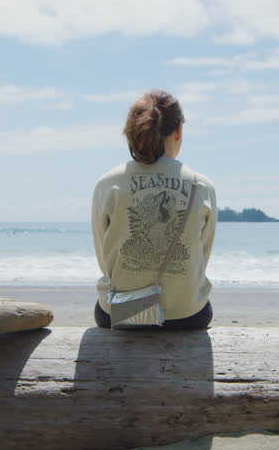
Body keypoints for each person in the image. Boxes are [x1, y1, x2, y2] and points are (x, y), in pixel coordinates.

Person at [92, 90, 217, 329]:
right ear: (179, 130)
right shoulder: (201, 186)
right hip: (186, 315)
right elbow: (203, 254)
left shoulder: (109, 183)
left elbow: (104, 256)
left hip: (118, 312)